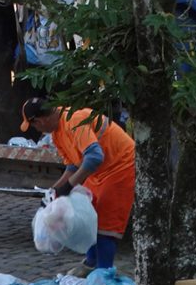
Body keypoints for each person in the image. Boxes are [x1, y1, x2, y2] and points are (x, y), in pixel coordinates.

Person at [20, 97, 135, 275]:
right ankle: (90, 265)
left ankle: (103, 275)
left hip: (121, 166)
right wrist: (54, 191)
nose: (36, 129)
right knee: (89, 216)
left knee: (106, 224)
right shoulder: (57, 132)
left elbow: (94, 157)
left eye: (34, 125)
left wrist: (69, 186)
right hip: (99, 171)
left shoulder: (74, 120)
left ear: (40, 120)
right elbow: (73, 166)